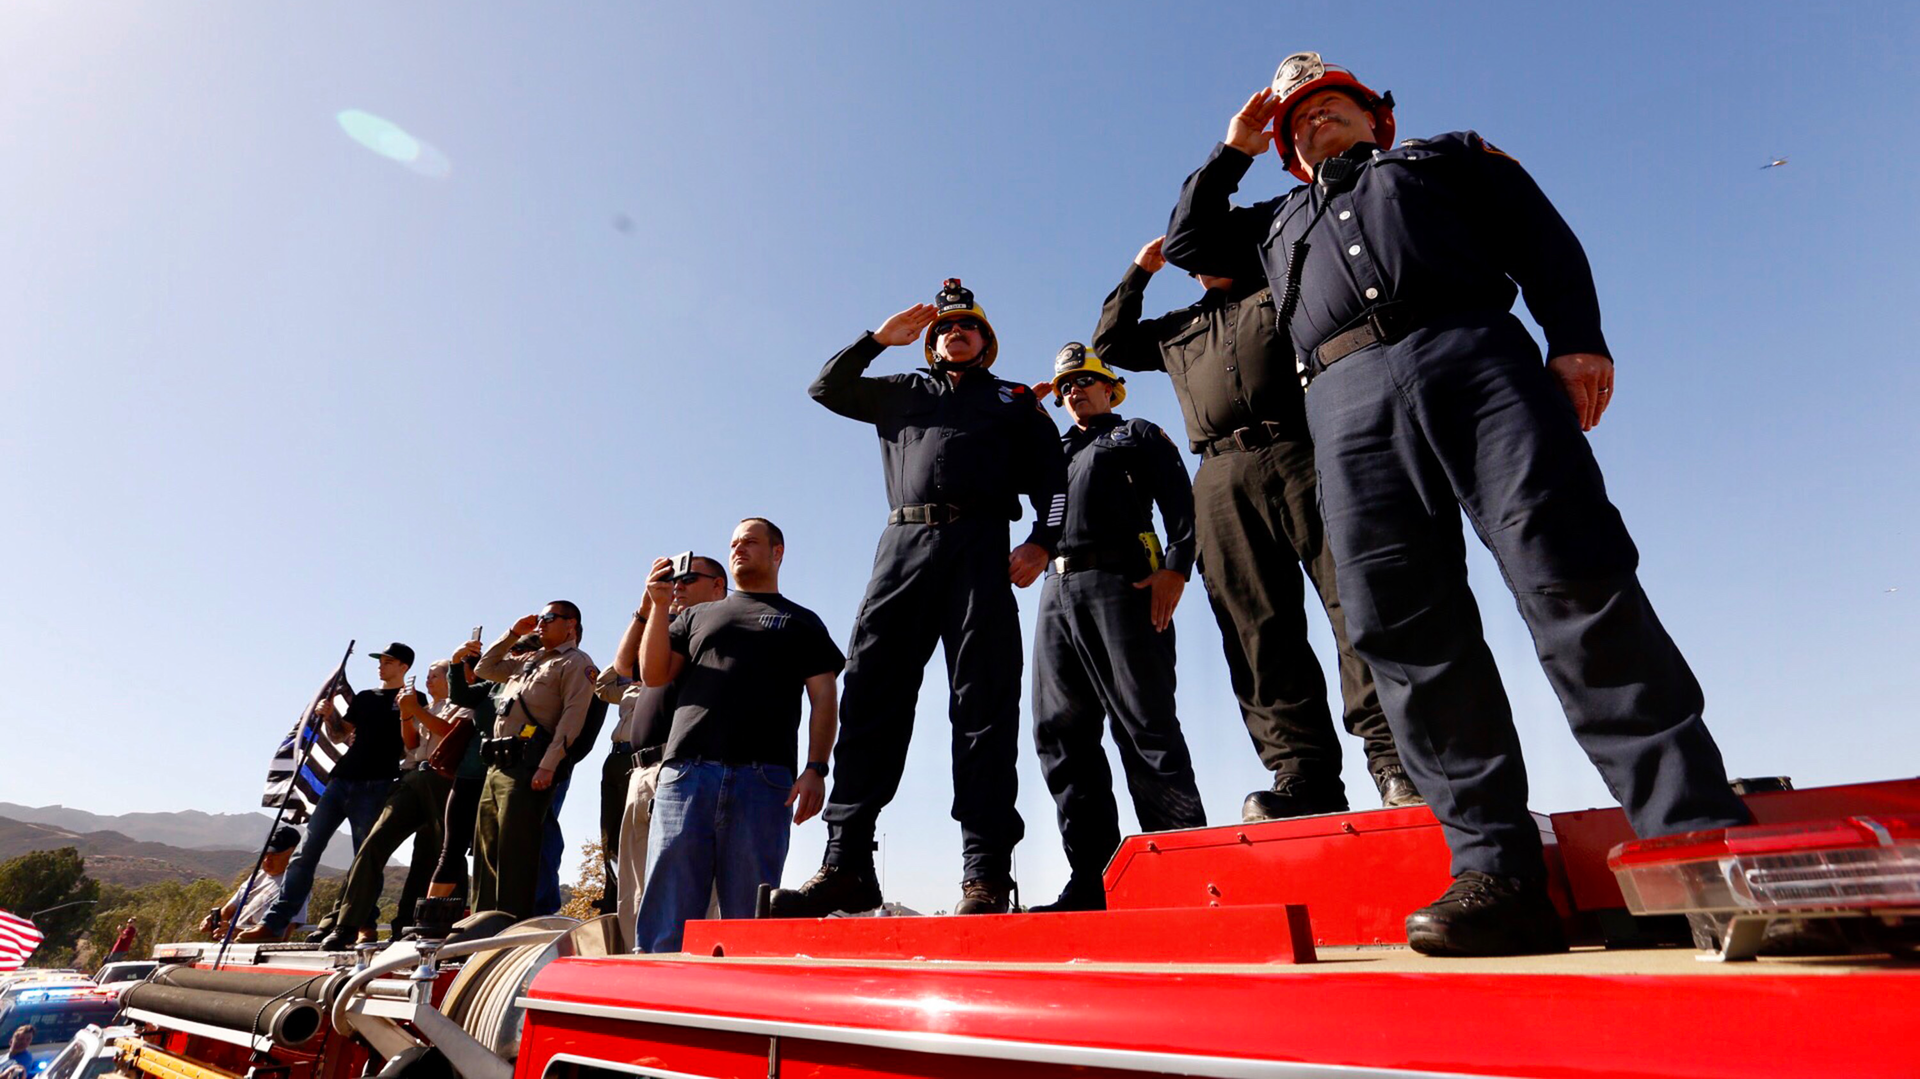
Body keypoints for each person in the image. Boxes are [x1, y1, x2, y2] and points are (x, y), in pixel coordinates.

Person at [1162, 51, 1752, 955]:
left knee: (1571, 577)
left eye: (1335, 105)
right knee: (1403, 628)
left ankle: (1695, 839)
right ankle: (1494, 873)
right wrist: (1236, 145)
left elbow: (1542, 238)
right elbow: (1193, 242)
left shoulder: (1445, 158)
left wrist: (1579, 338)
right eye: (1300, 118)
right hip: (1343, 403)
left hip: (1475, 357)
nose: (1318, 117)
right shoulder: (1276, 220)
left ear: (1378, 119)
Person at [1094, 233, 1417, 819]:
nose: (1198, 268)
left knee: (1357, 607)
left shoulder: (1282, 294)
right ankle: (1301, 773)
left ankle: (1396, 759)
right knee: (1255, 630)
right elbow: (1111, 341)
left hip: (1306, 451)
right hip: (1220, 476)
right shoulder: (1176, 329)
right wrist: (1141, 269)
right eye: (1188, 260)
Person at [772, 278, 1068, 918]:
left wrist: (1044, 540)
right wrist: (879, 340)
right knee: (872, 695)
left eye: (967, 327)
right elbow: (827, 388)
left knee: (983, 705)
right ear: (930, 344)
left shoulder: (1014, 400)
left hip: (980, 549)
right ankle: (847, 864)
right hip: (902, 549)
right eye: (943, 329)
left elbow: (1055, 480)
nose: (953, 332)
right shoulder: (901, 391)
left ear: (986, 344)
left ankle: (985, 872)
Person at [1026, 344, 1207, 912]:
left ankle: (1182, 872)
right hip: (1056, 592)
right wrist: (1021, 411)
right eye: (1064, 387)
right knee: (1061, 734)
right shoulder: (1051, 450)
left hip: (1123, 582)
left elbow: (1183, 504)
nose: (1073, 391)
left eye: (1084, 381)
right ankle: (1093, 880)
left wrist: (1176, 567)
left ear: (1111, 388)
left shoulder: (1137, 434)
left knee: (1144, 723)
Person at [633, 519, 844, 952]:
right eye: (733, 543)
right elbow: (653, 673)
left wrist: (817, 768)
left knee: (750, 922)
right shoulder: (694, 614)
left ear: (777, 552)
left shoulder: (802, 621)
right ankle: (658, 1007)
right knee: (666, 920)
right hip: (686, 775)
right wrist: (657, 607)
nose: (738, 549)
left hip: (763, 781)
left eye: (749, 541)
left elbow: (824, 698)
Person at [241, 644, 421, 942]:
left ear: (404, 667)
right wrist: (328, 717)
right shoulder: (365, 697)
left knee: (365, 857)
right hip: (340, 781)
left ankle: (364, 923)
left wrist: (408, 710)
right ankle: (274, 925)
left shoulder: (413, 699)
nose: (381, 666)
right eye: (380, 661)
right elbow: (340, 735)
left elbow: (411, 742)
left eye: (388, 661)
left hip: (378, 784)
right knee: (304, 853)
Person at [595, 556, 729, 938]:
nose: (678, 586)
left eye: (688, 578)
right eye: (674, 580)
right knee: (634, 891)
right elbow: (624, 666)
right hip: (640, 771)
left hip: (686, 769)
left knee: (684, 891)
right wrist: (647, 606)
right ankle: (638, 970)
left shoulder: (719, 629)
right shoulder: (665, 629)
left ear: (718, 586)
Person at [312, 661, 465, 948]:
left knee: (433, 858)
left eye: (435, 676)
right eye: (428, 676)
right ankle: (347, 925)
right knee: (373, 844)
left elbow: (451, 732)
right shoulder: (425, 709)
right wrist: (407, 716)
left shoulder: (462, 705)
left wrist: (414, 710)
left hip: (442, 781)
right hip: (409, 777)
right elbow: (410, 743)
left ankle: (411, 925)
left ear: (451, 680)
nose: (429, 681)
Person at [470, 602, 596, 919]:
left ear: (570, 625)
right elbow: (484, 669)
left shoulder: (576, 663)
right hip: (498, 761)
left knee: (516, 848)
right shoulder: (529, 660)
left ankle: (511, 924)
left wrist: (549, 764)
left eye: (548, 618)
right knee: (487, 846)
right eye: (539, 618)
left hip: (530, 763)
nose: (540, 624)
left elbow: (572, 718)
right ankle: (482, 921)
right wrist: (513, 633)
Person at [201, 826, 304, 938]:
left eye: (275, 854)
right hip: (230, 947)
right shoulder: (256, 877)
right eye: (266, 853)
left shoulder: (296, 886)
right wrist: (213, 920)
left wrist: (238, 933)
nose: (267, 859)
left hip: (254, 952)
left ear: (294, 853)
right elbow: (227, 911)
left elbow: (282, 936)